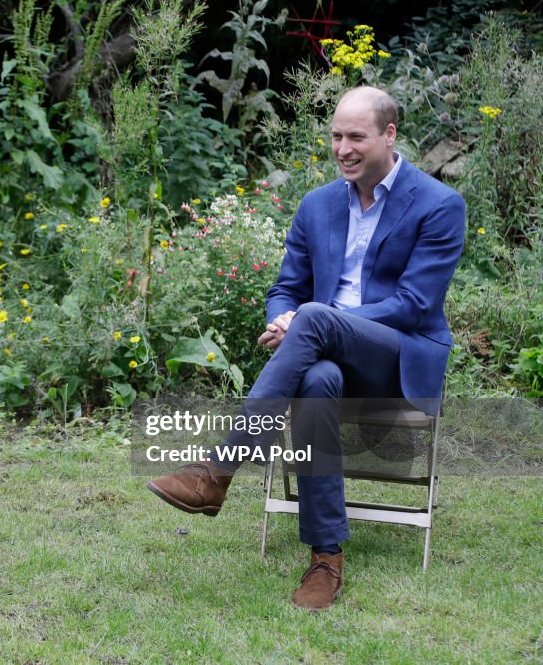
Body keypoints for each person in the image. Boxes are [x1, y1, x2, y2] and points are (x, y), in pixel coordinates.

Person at [146, 86, 465, 610]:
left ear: (389, 135)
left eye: (356, 136)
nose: (343, 148)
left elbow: (412, 305)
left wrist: (308, 322)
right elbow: (285, 289)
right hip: (324, 354)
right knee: (317, 380)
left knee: (317, 318)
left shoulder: (439, 204)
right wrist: (282, 318)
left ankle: (217, 473)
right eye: (336, 136)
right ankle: (325, 559)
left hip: (399, 360)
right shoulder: (317, 205)